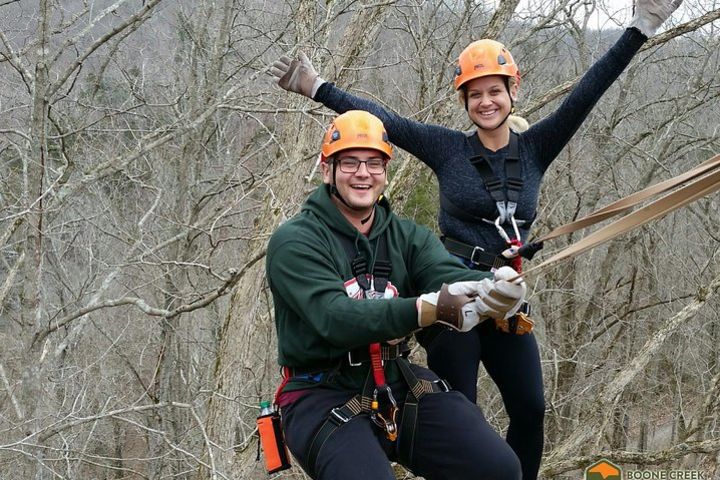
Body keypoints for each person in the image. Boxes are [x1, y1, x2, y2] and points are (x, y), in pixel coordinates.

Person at [269, 0, 683, 477]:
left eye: (495, 91)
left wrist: (640, 28)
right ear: (464, 102)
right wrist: (319, 89)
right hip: (451, 296)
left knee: (530, 408)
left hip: (503, 296)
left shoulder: (535, 150)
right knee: (458, 410)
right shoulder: (447, 150)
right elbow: (385, 124)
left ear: (512, 93)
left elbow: (585, 95)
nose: (486, 102)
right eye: (475, 94)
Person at [266, 110, 528, 480]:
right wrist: (424, 309)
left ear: (385, 173)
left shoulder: (406, 237)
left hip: (397, 383)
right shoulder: (296, 241)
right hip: (319, 393)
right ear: (327, 170)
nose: (363, 173)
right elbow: (334, 318)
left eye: (374, 163)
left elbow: (444, 276)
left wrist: (489, 288)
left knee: (498, 468)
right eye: (350, 162)